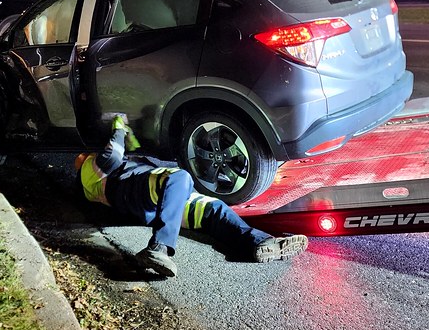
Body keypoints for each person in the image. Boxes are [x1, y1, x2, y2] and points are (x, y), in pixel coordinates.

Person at [75, 114, 308, 277]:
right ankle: (159, 248)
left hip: (154, 202)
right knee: (179, 177)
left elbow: (122, 155)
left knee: (213, 209)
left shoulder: (95, 180)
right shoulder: (86, 170)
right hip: (131, 191)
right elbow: (113, 155)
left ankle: (259, 242)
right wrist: (118, 128)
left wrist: (131, 142)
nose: (85, 155)